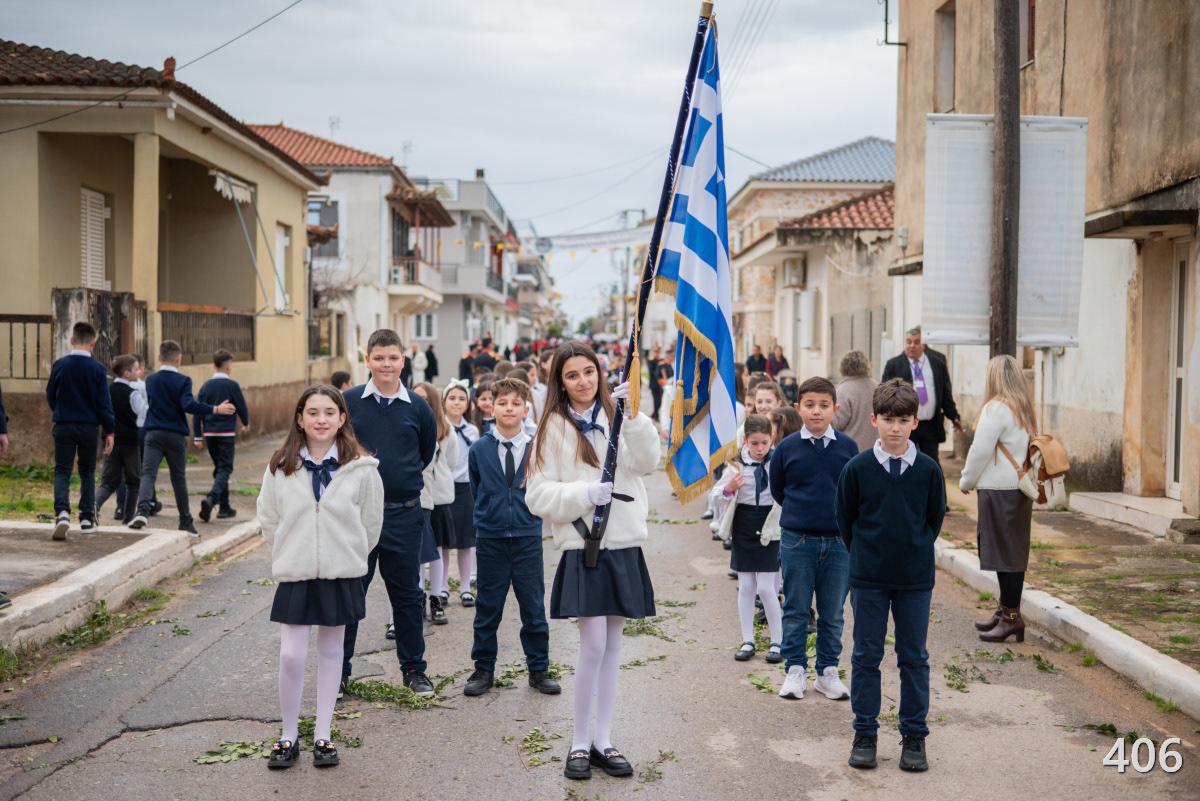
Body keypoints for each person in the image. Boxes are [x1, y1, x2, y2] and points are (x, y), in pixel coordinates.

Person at [526, 342, 660, 781]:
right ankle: (579, 742)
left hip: (623, 544)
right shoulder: (552, 427)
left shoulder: (618, 415)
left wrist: (634, 418)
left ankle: (604, 740)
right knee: (594, 645)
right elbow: (536, 495)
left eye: (589, 372)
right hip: (585, 547)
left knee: (614, 645)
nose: (583, 381)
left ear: (599, 373)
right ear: (560, 383)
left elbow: (648, 462)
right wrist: (584, 494)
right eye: (572, 375)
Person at [257, 384, 384, 770]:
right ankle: (288, 735)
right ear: (300, 419)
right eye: (312, 412)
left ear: (342, 418)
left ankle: (323, 735)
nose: (321, 420)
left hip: (339, 572)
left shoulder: (362, 468)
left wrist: (347, 555)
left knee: (332, 653)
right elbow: (268, 517)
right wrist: (286, 552)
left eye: (329, 412)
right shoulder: (281, 465)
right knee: (291, 654)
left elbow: (371, 523)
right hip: (296, 571)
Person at [837, 378, 945, 772]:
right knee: (866, 656)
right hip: (868, 578)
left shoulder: (929, 470)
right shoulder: (857, 468)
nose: (895, 428)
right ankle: (865, 733)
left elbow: (933, 520)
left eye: (903, 420)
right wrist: (867, 555)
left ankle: (914, 736)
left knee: (913, 658)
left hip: (914, 580)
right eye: (888, 419)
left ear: (915, 422)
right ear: (874, 420)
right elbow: (845, 520)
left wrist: (913, 549)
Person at [340, 329, 438, 697]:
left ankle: (413, 670)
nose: (386, 364)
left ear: (403, 361)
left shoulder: (418, 407)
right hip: (357, 517)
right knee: (350, 594)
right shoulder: (348, 402)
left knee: (408, 596)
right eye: (379, 358)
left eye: (393, 358)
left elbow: (424, 453)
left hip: (404, 516)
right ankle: (339, 672)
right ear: (367, 360)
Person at [462, 378, 560, 698]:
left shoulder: (536, 449)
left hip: (527, 537)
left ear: (525, 410)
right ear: (491, 408)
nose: (509, 409)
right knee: (488, 606)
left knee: (533, 606)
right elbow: (477, 489)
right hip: (490, 539)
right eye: (502, 403)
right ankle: (484, 668)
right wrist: (491, 514)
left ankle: (539, 668)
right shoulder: (479, 449)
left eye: (516, 404)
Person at [768, 376, 857, 703]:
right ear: (798, 408)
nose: (816, 411)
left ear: (835, 409)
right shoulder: (787, 448)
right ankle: (795, 670)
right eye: (809, 405)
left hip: (838, 543)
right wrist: (801, 514)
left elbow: (853, 491)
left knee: (833, 612)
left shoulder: (847, 447)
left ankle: (827, 672)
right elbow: (778, 489)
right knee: (796, 609)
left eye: (823, 405)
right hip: (797, 542)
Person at [958, 355, 1037, 643]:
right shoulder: (1023, 407)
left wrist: (966, 480)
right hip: (1017, 489)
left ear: (994, 378)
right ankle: (1006, 612)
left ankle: (1011, 618)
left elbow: (979, 450)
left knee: (1006, 557)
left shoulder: (995, 408)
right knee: (1011, 552)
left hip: (1000, 490)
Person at [129, 341, 233, 534]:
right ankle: (185, 520)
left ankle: (142, 510)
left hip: (153, 434)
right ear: (179, 358)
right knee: (178, 479)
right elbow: (188, 405)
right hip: (175, 435)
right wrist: (215, 409)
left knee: (148, 474)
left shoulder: (151, 380)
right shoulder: (184, 381)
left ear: (159, 357)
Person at [710, 414, 783, 664]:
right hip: (744, 525)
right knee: (747, 587)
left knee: (766, 588)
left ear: (771, 438)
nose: (760, 449)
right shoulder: (736, 466)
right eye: (754, 443)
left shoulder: (778, 462)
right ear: (745, 440)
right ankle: (748, 640)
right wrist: (729, 488)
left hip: (771, 525)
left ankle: (777, 642)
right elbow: (715, 499)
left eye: (764, 443)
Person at [45, 322, 115, 539]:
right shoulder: (98, 369)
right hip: (88, 427)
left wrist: (61, 412)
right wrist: (109, 431)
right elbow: (104, 403)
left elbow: (51, 394)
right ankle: (86, 518)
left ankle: (62, 514)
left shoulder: (60, 365)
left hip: (64, 424)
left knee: (62, 470)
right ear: (94, 342)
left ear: (71, 340)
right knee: (87, 471)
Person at [881, 326, 962, 464]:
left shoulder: (937, 364)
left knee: (931, 462)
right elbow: (884, 394)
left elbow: (945, 394)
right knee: (905, 461)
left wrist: (954, 416)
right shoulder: (894, 365)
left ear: (924, 344)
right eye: (909, 342)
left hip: (930, 425)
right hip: (905, 423)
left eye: (916, 342)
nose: (912, 346)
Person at [412, 382, 453, 627]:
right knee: (417, 554)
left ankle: (436, 598)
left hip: (436, 499)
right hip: (418, 500)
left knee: (435, 549)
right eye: (415, 397)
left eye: (425, 398)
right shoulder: (407, 423)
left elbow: (451, 462)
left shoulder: (444, 430)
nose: (420, 402)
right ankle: (418, 598)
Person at [194, 349, 250, 523]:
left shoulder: (205, 386)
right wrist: (245, 422)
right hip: (226, 433)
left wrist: (198, 436)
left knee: (220, 469)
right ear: (229, 366)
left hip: (209, 434)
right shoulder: (232, 386)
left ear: (214, 366)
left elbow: (197, 411)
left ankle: (224, 507)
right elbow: (241, 406)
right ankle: (212, 499)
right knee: (225, 468)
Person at [441, 379, 478, 607]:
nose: (456, 403)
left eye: (462, 399)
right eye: (452, 398)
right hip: (444, 489)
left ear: (468, 404)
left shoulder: (473, 431)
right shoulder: (439, 428)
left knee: (466, 541)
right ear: (444, 402)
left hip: (466, 490)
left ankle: (465, 587)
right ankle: (443, 587)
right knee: (444, 542)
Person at [93, 355, 142, 526]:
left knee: (108, 482)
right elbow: (143, 414)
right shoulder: (133, 394)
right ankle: (127, 520)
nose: (139, 371)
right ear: (127, 373)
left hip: (110, 441)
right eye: (136, 369)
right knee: (133, 482)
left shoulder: (107, 391)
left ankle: (94, 504)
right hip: (130, 443)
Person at [832, 350, 880, 453]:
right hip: (876, 449)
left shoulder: (842, 390)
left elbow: (836, 423)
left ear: (842, 367)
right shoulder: (877, 387)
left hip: (850, 450)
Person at [646, 347, 664, 422]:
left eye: (658, 352)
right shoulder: (651, 361)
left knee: (660, 401)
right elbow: (652, 372)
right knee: (656, 400)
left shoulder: (661, 360)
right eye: (655, 352)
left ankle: (654, 413)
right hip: (654, 384)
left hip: (660, 385)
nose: (657, 354)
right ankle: (656, 415)